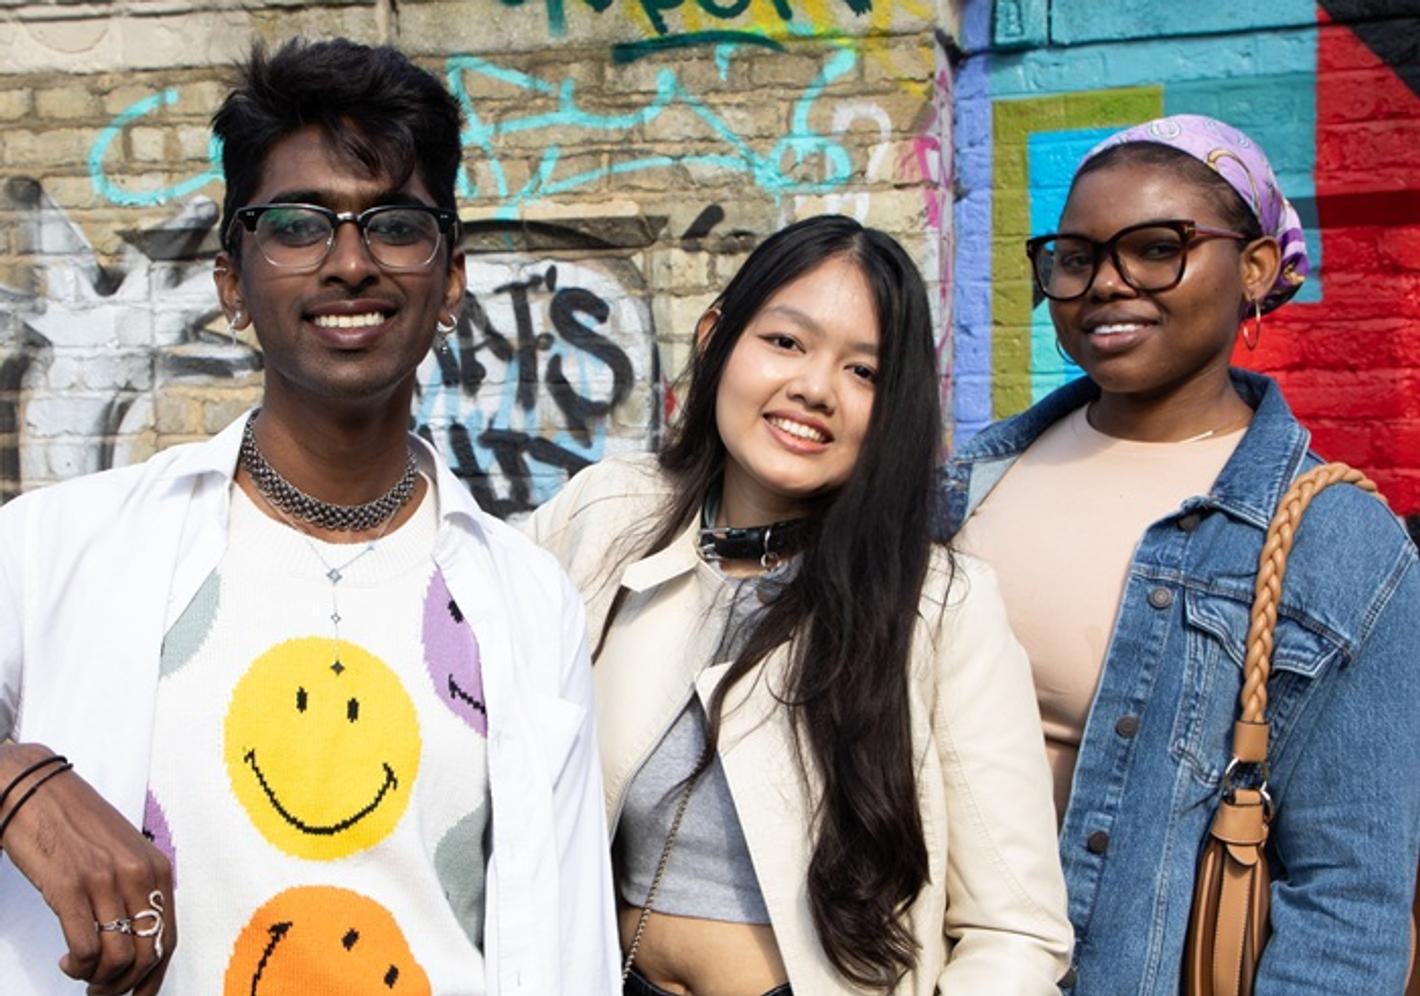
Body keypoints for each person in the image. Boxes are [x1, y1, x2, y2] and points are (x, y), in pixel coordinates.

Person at [0, 38, 618, 995]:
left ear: (450, 278)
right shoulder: (64, 546)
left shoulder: (525, 601)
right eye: (296, 225)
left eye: (395, 225)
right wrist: (20, 783)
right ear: (232, 283)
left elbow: (566, 938)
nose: (349, 263)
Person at [526, 214, 1072, 996]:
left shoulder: (939, 606)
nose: (815, 389)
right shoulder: (606, 514)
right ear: (717, 339)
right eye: (786, 342)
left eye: (864, 373)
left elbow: (1012, 930)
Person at [941, 114, 1420, 994]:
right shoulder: (967, 481)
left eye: (1157, 248)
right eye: (1076, 257)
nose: (1106, 284)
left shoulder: (1335, 538)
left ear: (1255, 269)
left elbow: (1350, 899)